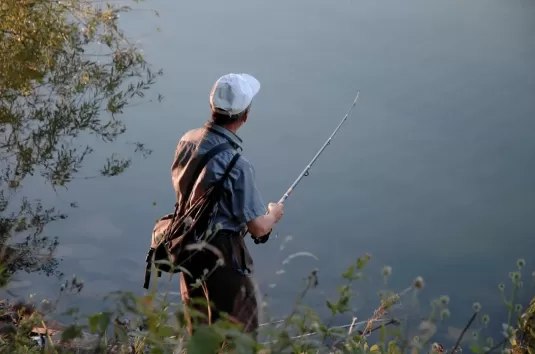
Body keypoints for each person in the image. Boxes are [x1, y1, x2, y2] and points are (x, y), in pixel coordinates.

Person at [170, 73, 284, 336]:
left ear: (213, 108)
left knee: (198, 331)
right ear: (245, 115)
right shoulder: (237, 165)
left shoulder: (186, 140)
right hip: (220, 253)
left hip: (186, 244)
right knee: (239, 335)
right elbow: (257, 228)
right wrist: (273, 214)